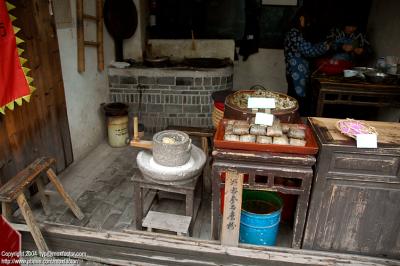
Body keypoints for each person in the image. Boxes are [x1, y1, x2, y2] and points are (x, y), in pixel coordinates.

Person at [284, 8, 330, 116]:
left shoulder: (295, 32)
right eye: (307, 21)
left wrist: (322, 45)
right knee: (296, 100)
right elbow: (308, 51)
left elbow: (308, 47)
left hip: (295, 72)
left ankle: (293, 120)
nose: (308, 25)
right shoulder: (294, 33)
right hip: (296, 73)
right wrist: (325, 47)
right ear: (301, 18)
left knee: (293, 99)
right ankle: (294, 121)